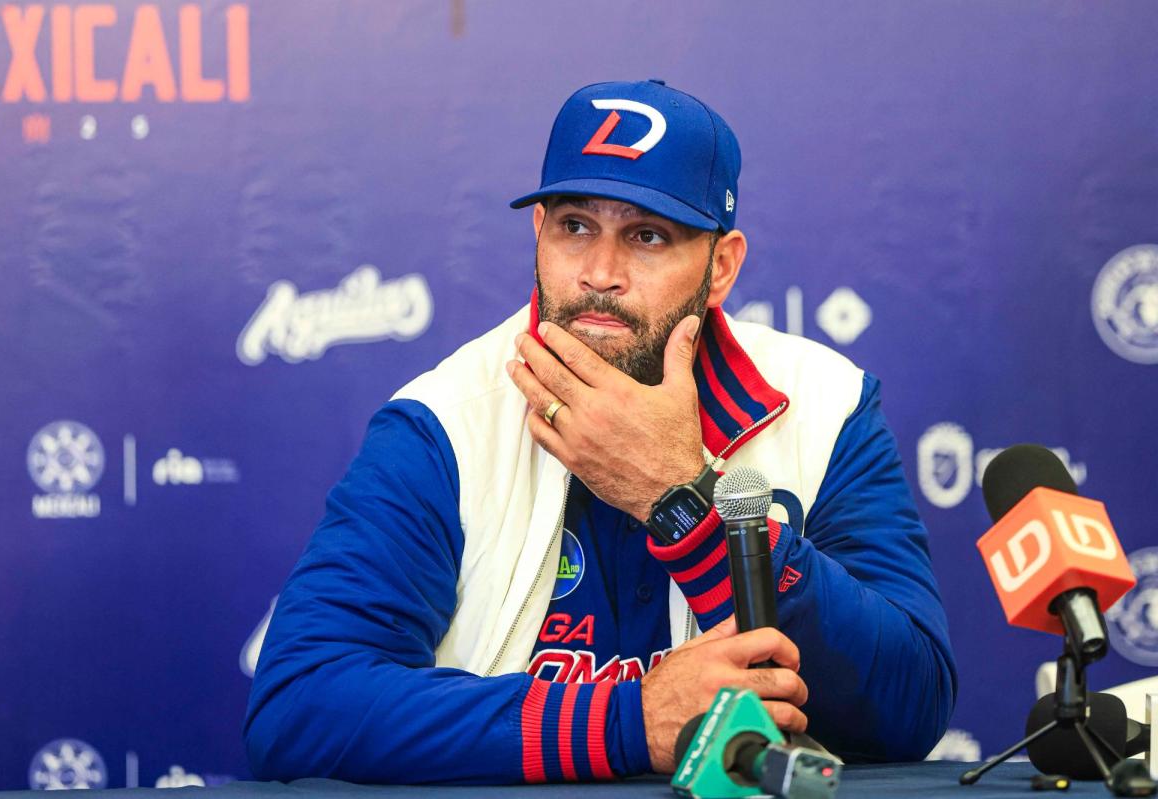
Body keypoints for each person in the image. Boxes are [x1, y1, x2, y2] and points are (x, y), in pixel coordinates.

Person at [243, 79, 956, 784]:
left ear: (721, 267)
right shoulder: (445, 423)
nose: (600, 273)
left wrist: (680, 497)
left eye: (647, 235)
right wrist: (631, 721)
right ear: (538, 233)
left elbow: (910, 704)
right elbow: (299, 707)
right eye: (575, 226)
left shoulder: (825, 404)